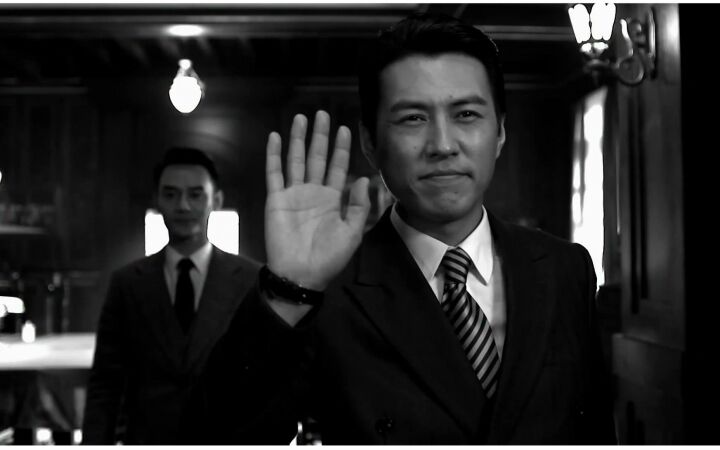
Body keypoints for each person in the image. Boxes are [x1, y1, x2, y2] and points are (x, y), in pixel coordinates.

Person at [200, 12, 617, 444]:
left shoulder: (564, 269)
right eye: (413, 118)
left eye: (466, 114)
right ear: (370, 143)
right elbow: (218, 436)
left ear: (500, 133)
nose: (443, 145)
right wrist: (289, 290)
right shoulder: (327, 289)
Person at [82, 147, 260, 444]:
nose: (183, 206)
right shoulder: (127, 283)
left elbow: (265, 380)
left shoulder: (250, 279)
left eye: (195, 195)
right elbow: (106, 383)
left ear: (216, 200)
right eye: (171, 194)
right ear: (157, 200)